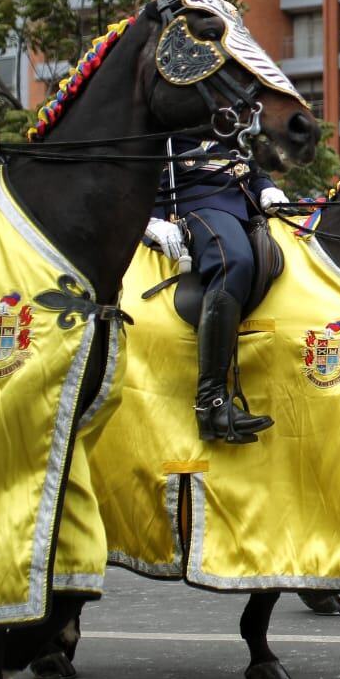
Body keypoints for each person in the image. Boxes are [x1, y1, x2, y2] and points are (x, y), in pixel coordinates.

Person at [143, 126, 291, 442]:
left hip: (246, 205)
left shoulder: (232, 116)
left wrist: (265, 186)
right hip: (194, 202)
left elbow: (245, 161)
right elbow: (140, 155)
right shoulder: (174, 107)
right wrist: (149, 216)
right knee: (233, 260)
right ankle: (211, 403)